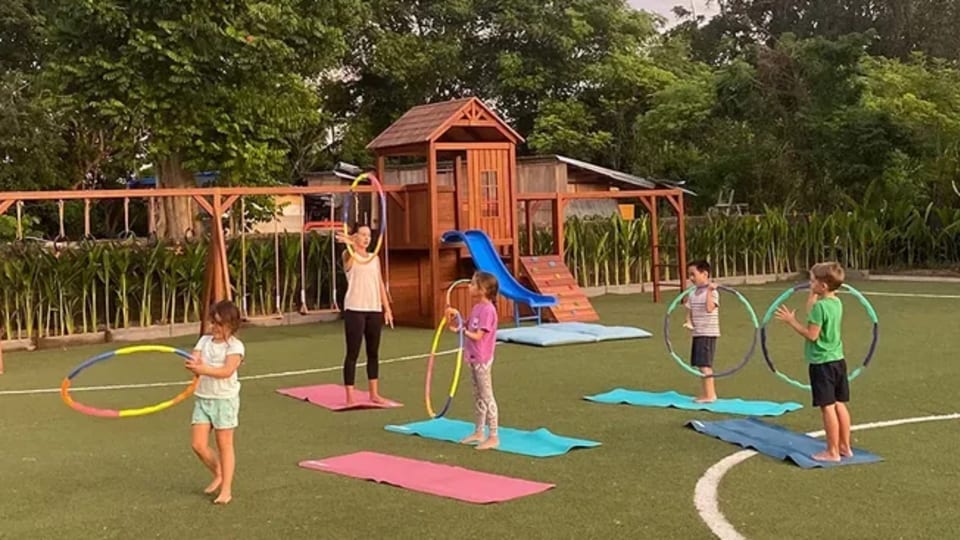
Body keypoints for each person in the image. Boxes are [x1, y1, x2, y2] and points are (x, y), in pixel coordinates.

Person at [775, 261, 852, 462]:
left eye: (812, 281)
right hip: (838, 360)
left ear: (823, 286)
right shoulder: (836, 303)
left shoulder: (820, 308)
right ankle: (845, 447)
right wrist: (813, 293)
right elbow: (813, 311)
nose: (810, 283)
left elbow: (812, 335)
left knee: (827, 407)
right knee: (839, 404)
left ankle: (832, 452)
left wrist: (791, 321)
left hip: (822, 364)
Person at [185, 300, 245, 505]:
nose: (215, 327)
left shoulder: (235, 347)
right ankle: (219, 472)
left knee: (224, 445)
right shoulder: (204, 341)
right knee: (198, 445)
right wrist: (193, 364)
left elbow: (227, 371)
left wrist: (203, 369)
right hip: (203, 398)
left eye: (220, 324)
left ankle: (226, 489)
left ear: (231, 325)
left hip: (224, 400)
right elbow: (194, 360)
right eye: (213, 322)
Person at [336, 225, 393, 405]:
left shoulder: (374, 258)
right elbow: (349, 262)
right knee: (352, 353)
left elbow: (379, 283)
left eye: (369, 235)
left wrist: (387, 308)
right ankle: (350, 396)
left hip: (373, 309)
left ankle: (374, 394)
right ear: (355, 236)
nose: (367, 238)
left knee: (373, 352)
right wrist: (350, 243)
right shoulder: (349, 255)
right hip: (355, 309)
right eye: (363, 235)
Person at [446, 271, 500, 451]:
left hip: (482, 358)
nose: (469, 286)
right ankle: (479, 432)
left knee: (487, 395)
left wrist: (462, 331)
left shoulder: (488, 310)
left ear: (482, 289)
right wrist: (456, 317)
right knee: (478, 395)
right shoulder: (477, 307)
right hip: (473, 356)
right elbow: (466, 325)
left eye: (472, 284)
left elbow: (477, 336)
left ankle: (494, 436)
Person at [684, 260, 719, 403]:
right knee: (700, 365)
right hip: (698, 333)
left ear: (704, 274)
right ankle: (706, 394)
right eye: (689, 275)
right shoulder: (693, 293)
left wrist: (709, 291)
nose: (691, 278)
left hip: (708, 333)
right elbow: (689, 310)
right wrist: (688, 321)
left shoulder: (713, 292)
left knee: (705, 366)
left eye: (693, 274)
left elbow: (710, 308)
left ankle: (710, 395)